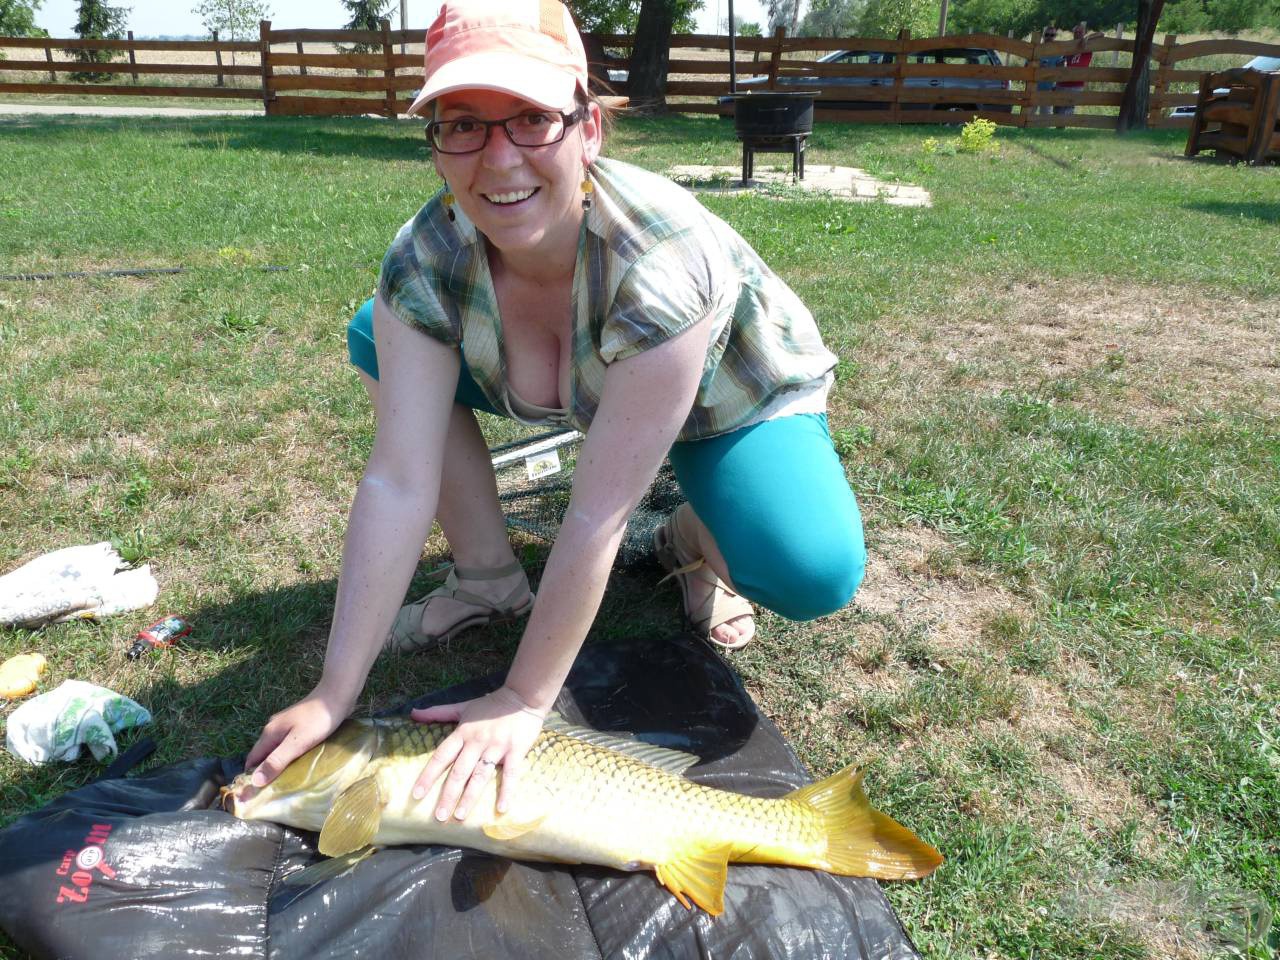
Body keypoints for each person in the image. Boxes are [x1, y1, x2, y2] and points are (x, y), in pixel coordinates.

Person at [245, 0, 866, 827]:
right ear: (435, 141)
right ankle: (488, 579)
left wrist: (523, 697)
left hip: (730, 395)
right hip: (589, 382)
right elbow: (397, 480)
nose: (498, 159)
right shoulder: (423, 260)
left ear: (590, 129)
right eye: (463, 123)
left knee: (812, 569)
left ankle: (690, 538)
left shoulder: (659, 259)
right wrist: (334, 695)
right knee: (378, 334)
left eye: (533, 119)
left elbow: (597, 515)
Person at [1055, 22, 1096, 116]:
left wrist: (1087, 38)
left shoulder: (1088, 45)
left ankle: (1061, 128)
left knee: (1068, 109)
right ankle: (1058, 129)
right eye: (1076, 32)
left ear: (1084, 33)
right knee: (1058, 109)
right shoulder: (1069, 46)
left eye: (1080, 32)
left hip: (1076, 84)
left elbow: (1101, 34)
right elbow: (1061, 63)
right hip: (1062, 82)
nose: (1077, 33)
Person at [1037, 26, 1063, 117]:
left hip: (1049, 88)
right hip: (1033, 87)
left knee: (1045, 117)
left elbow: (1060, 71)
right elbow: (1026, 66)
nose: (1049, 37)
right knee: (1028, 114)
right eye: (1047, 34)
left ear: (1055, 36)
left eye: (1052, 35)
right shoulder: (1036, 49)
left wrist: (1057, 85)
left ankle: (1042, 131)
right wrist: (1038, 66)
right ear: (1043, 36)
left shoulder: (1057, 52)